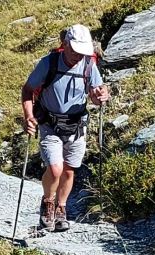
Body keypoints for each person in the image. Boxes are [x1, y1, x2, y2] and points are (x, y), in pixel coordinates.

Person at [22, 24, 109, 233]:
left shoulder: (89, 65)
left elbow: (97, 93)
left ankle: (61, 209)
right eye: (75, 51)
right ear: (66, 44)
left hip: (77, 125)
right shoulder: (48, 63)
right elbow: (27, 90)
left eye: (82, 52)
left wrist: (101, 97)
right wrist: (28, 117)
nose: (78, 56)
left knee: (69, 172)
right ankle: (48, 202)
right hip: (50, 124)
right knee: (55, 169)